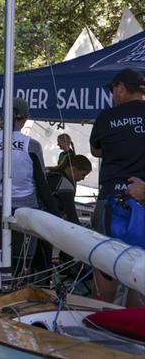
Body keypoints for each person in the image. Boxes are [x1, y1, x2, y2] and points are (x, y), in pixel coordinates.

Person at [0, 97, 60, 273]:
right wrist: (55, 215)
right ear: (23, 119)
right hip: (25, 212)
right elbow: (42, 185)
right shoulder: (32, 145)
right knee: (20, 267)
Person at [89, 68, 145, 305]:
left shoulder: (105, 118)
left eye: (113, 89)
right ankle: (132, 335)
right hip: (141, 202)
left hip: (113, 201)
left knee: (106, 268)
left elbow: (95, 150)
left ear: (121, 88)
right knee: (140, 272)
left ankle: (98, 332)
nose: (112, 94)